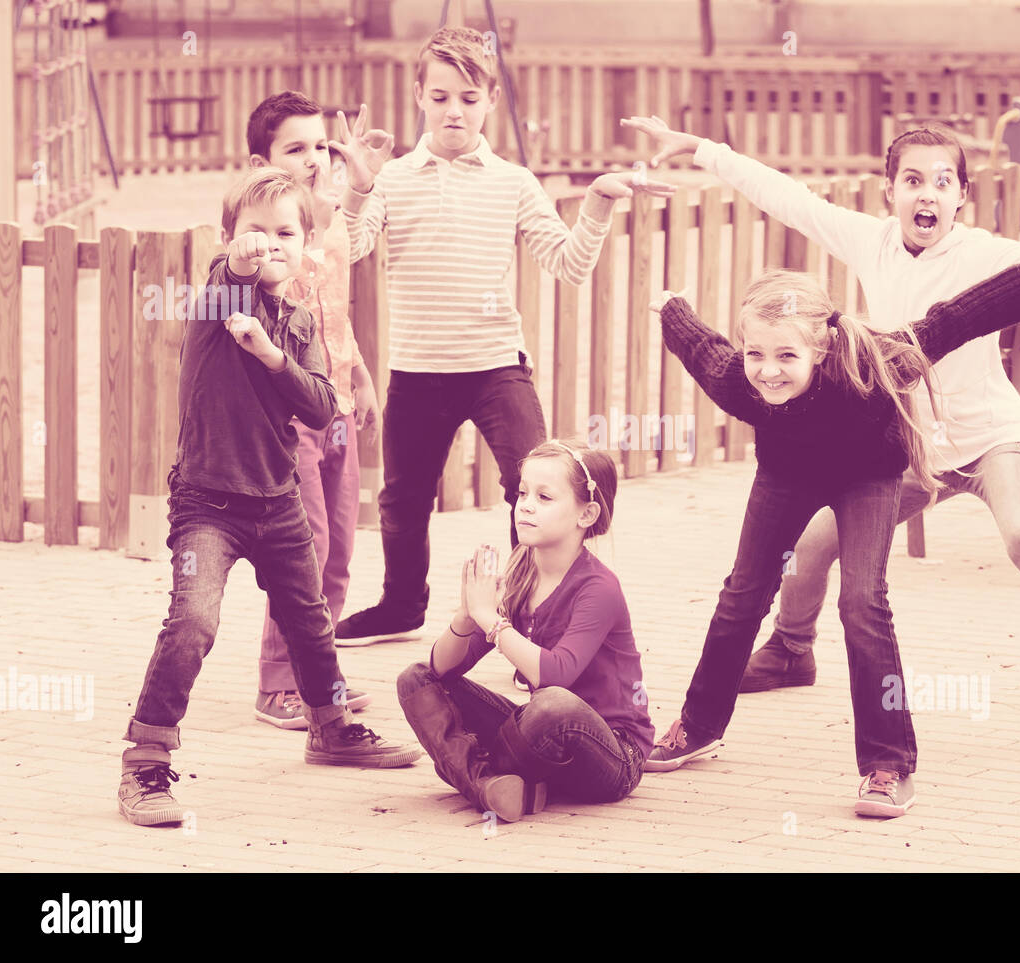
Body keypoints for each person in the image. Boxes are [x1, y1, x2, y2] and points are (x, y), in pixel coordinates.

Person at [624, 116, 1020, 762]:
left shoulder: (984, 253)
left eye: (941, 182)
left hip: (989, 436)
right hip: (906, 442)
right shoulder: (869, 242)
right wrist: (706, 151)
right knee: (817, 539)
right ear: (889, 191)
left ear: (961, 195)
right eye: (912, 181)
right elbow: (790, 200)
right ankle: (793, 648)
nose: (926, 194)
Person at [644, 262, 1020, 817]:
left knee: (862, 601)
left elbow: (951, 321)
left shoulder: (874, 359)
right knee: (743, 594)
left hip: (869, 476)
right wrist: (673, 308)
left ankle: (890, 764)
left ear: (822, 345)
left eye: (786, 356)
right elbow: (702, 348)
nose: (767, 371)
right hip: (787, 475)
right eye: (756, 354)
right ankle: (698, 726)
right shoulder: (739, 381)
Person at [332, 27, 674, 651]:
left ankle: (530, 619)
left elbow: (569, 264)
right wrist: (356, 186)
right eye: (439, 97)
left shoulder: (512, 181)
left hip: (496, 366)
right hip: (418, 368)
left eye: (468, 96)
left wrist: (596, 202)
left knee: (535, 485)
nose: (453, 110)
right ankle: (402, 605)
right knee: (402, 499)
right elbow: (349, 249)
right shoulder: (392, 178)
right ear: (418, 97)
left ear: (491, 98)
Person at [118, 167, 420, 828]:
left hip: (278, 501)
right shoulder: (218, 301)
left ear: (307, 244)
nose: (269, 244)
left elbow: (318, 406)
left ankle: (331, 725)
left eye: (285, 232)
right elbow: (232, 276)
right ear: (227, 239)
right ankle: (144, 760)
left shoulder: (301, 322)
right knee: (194, 619)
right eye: (254, 232)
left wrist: (272, 355)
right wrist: (238, 265)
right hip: (207, 505)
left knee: (310, 620)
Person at [397, 440, 653, 822]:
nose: (526, 505)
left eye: (544, 497)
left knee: (552, 704)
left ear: (587, 514)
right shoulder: (521, 568)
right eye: (522, 493)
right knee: (415, 680)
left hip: (612, 755)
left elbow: (554, 675)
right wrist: (467, 616)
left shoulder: (599, 588)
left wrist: (491, 619)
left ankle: (471, 774)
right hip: (542, 743)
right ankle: (490, 786)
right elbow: (442, 669)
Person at [243, 90, 380, 728]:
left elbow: (336, 317)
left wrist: (363, 380)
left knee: (342, 546)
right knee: (303, 545)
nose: (314, 160)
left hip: (339, 409)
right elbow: (285, 295)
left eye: (319, 146)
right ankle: (278, 682)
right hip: (288, 418)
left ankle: (320, 674)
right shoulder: (263, 241)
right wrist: (317, 222)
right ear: (260, 163)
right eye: (295, 149)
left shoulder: (328, 224)